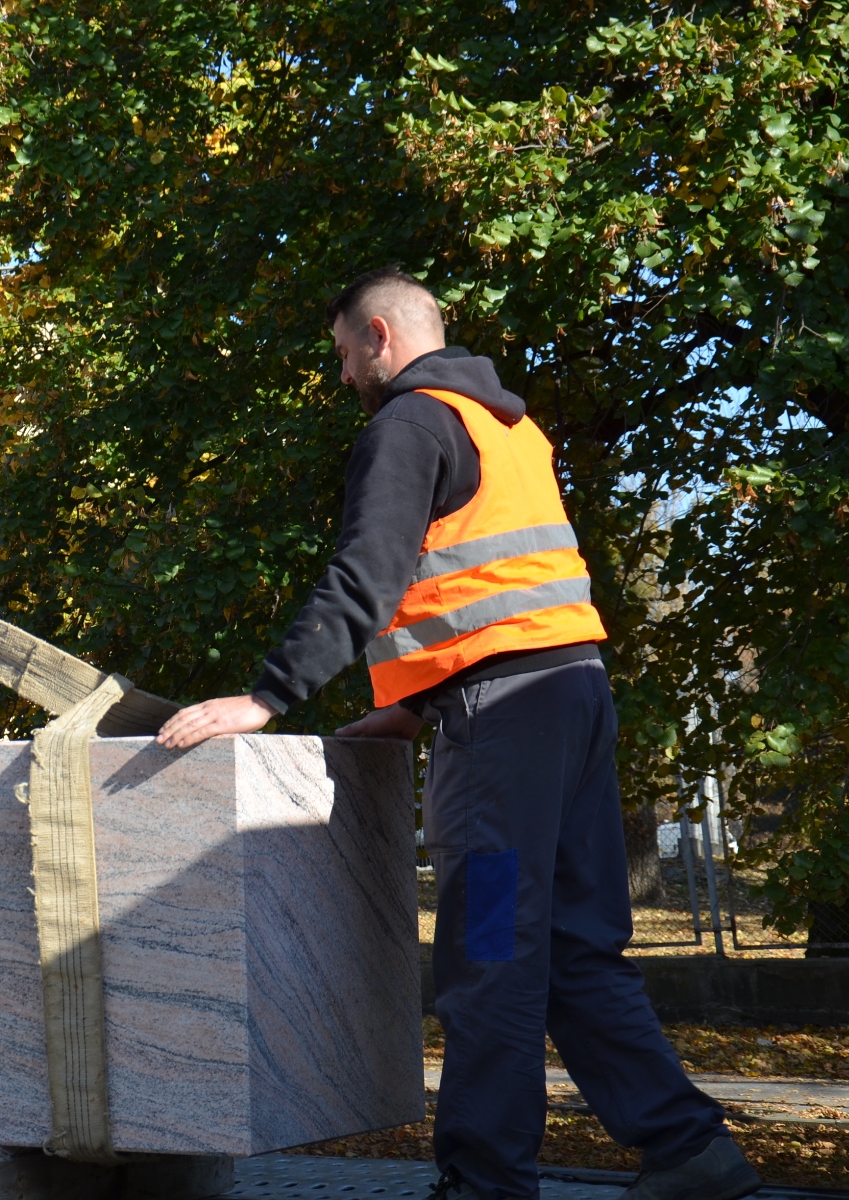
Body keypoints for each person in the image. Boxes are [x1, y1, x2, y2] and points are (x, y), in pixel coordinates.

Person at [156, 269, 758, 1200]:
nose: (345, 373)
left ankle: (484, 1184)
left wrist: (267, 698)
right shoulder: (507, 426)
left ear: (381, 335)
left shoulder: (404, 424)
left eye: (345, 353)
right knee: (571, 947)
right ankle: (690, 1152)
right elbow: (495, 595)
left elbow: (368, 573)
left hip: (501, 729)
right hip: (569, 703)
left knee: (488, 953)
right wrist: (407, 705)